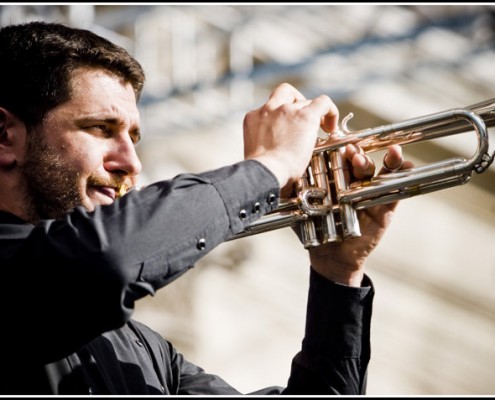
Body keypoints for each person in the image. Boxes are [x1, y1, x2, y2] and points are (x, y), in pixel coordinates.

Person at [0, 21, 412, 395]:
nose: (131, 162)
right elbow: (106, 261)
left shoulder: (149, 353)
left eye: (134, 138)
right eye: (100, 129)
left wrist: (336, 276)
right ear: (5, 136)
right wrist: (270, 167)